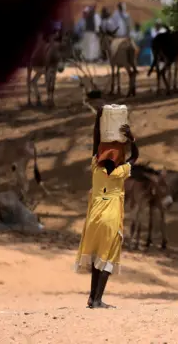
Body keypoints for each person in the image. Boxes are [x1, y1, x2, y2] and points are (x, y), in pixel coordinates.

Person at [74, 107, 138, 309]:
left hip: (94, 216)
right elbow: (135, 157)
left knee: (96, 258)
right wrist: (131, 139)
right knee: (108, 258)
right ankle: (98, 299)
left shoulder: (96, 168)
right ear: (118, 159)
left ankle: (92, 298)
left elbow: (95, 144)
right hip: (110, 216)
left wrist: (98, 119)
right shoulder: (120, 172)